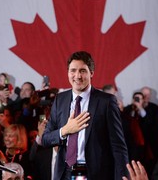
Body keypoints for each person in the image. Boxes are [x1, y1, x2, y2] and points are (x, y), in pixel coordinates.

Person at [41, 51, 129, 180]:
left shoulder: (106, 101)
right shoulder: (60, 100)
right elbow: (45, 139)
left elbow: (118, 147)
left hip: (94, 173)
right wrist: (65, 130)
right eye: (73, 70)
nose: (77, 76)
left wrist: (122, 177)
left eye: (82, 71)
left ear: (91, 73)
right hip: (65, 172)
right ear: (68, 73)